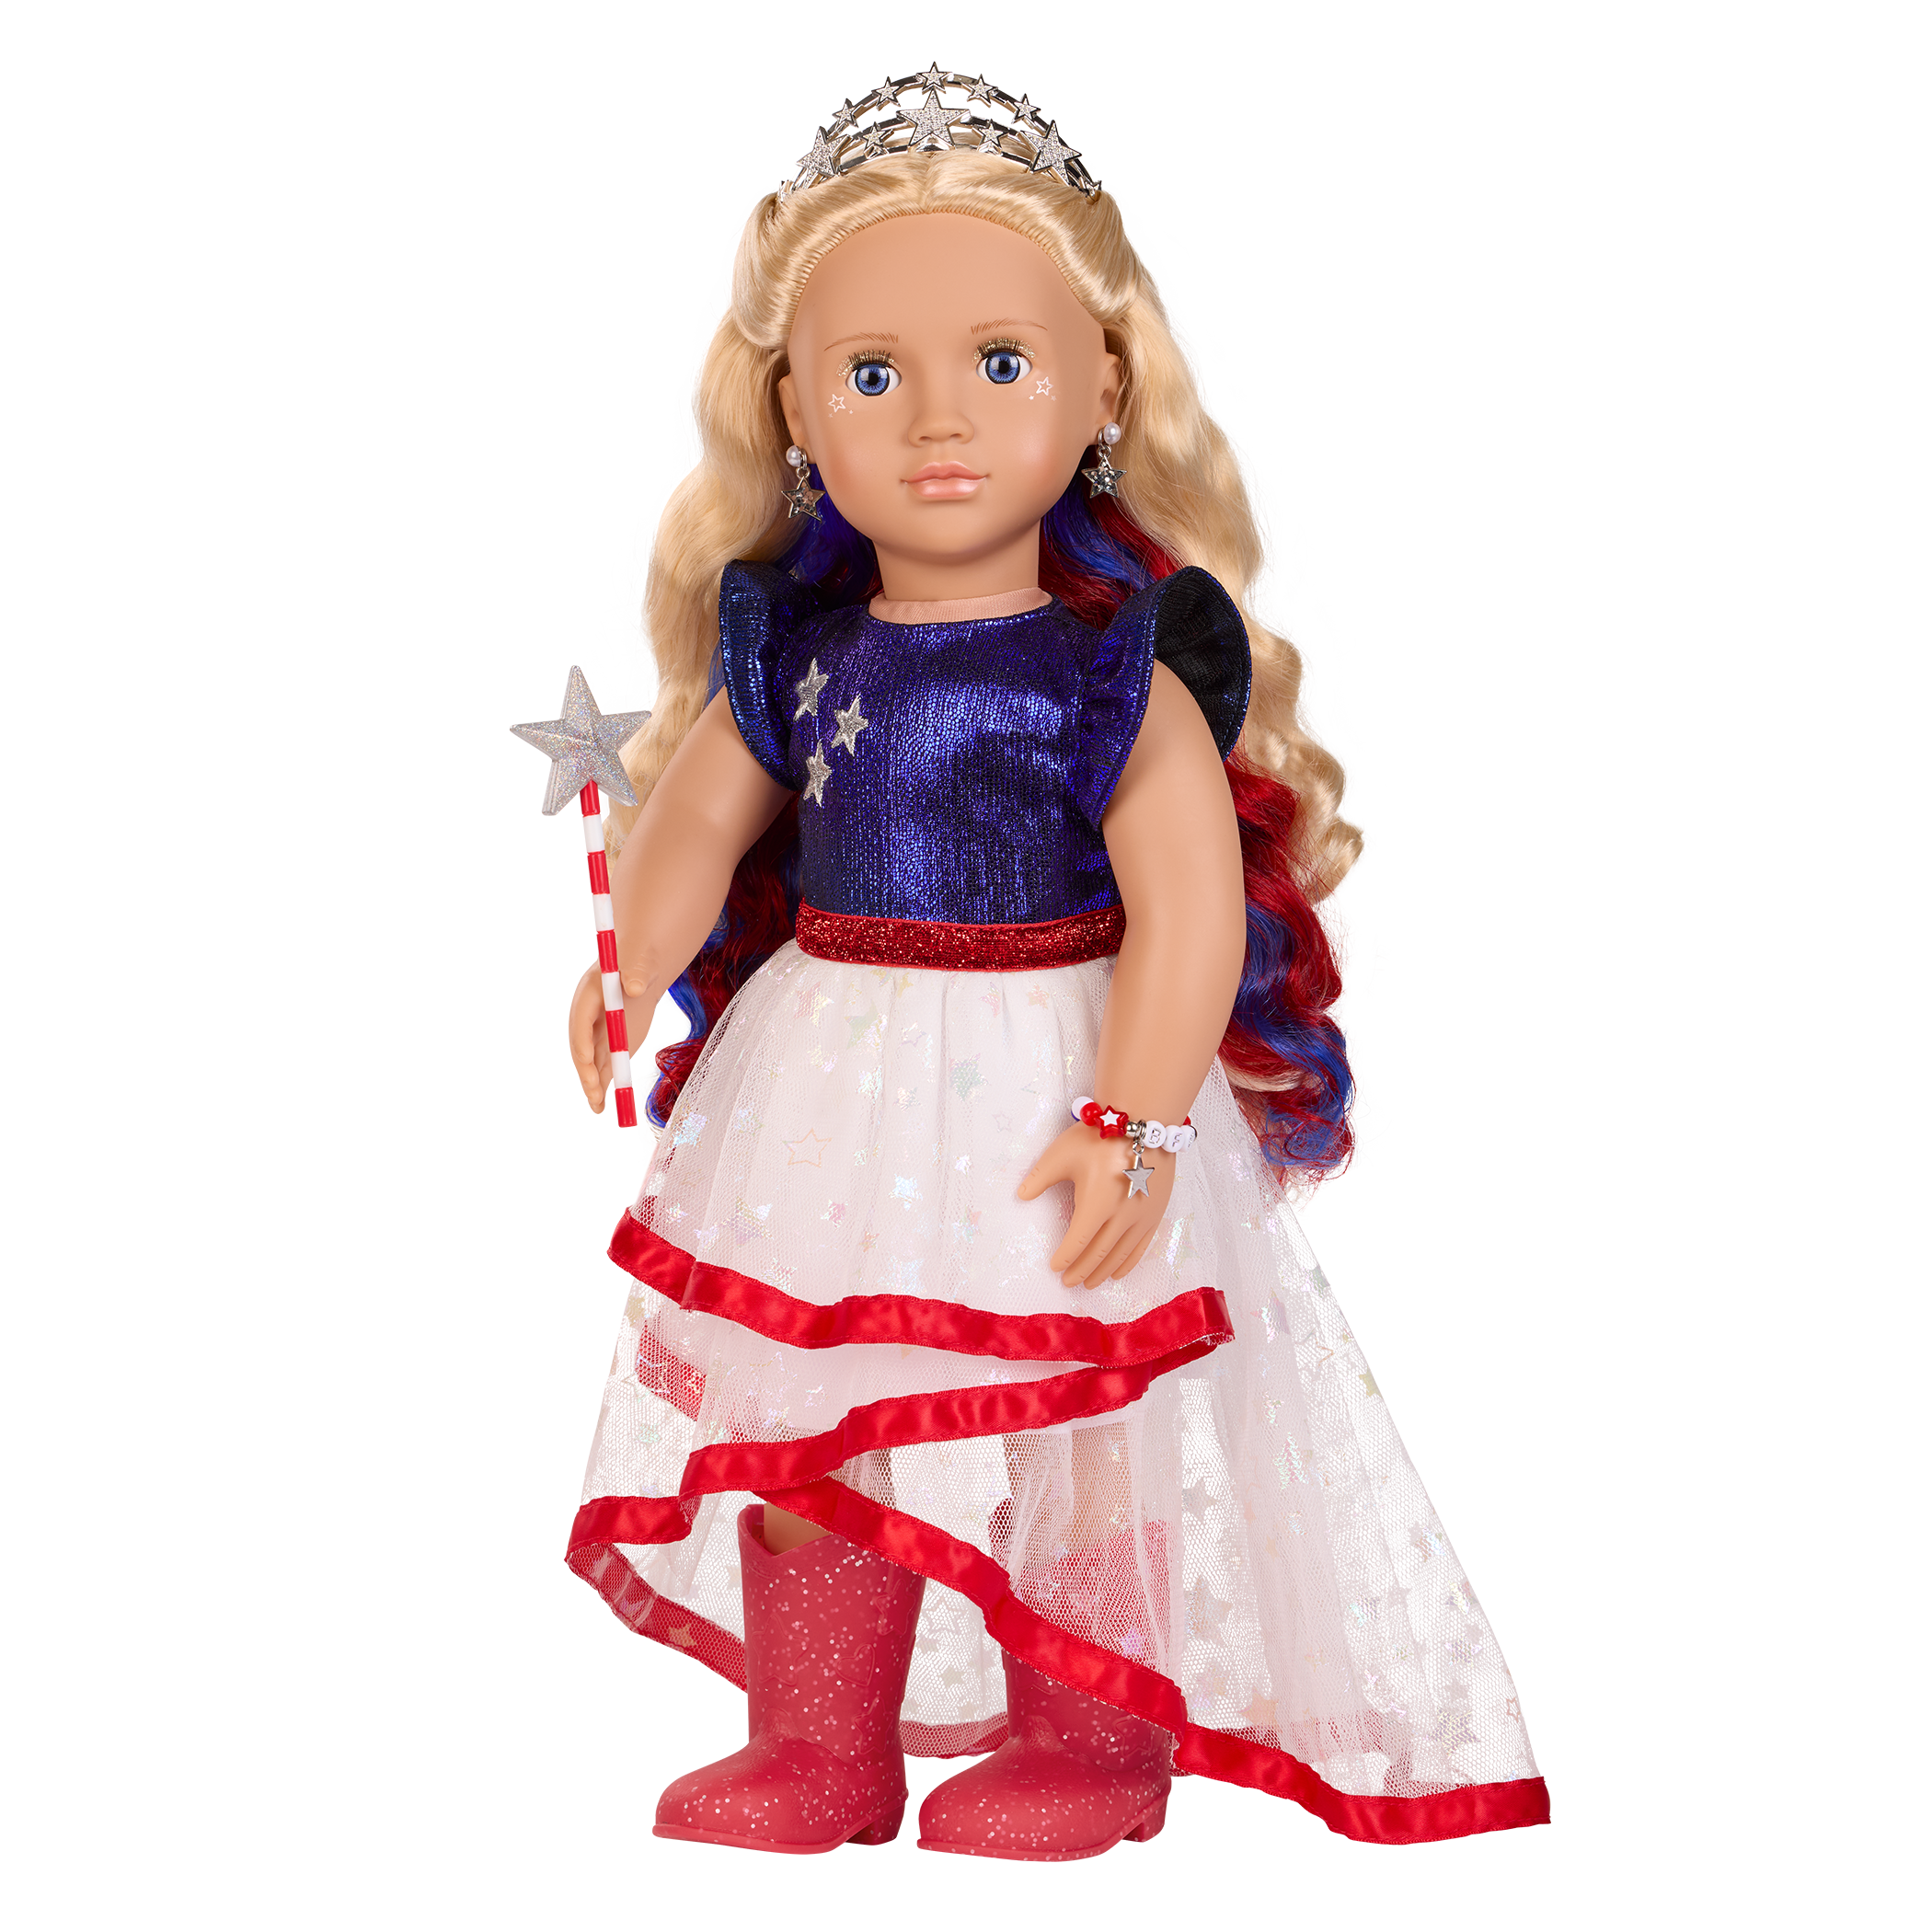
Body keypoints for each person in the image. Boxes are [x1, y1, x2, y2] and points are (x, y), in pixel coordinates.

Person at [561, 70, 1548, 1861]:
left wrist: (1137, 1115)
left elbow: (1189, 911)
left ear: (1104, 387)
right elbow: (696, 828)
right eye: (874, 375)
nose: (940, 419)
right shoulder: (797, 657)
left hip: (1054, 1075)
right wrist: (621, 965)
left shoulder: (1110, 673)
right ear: (795, 410)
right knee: (812, 1421)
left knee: (1088, 1430)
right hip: (829, 1081)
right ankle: (822, 1746)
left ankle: (1087, 1747)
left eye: (1000, 363)